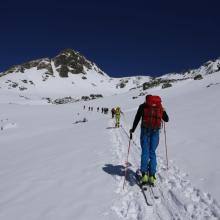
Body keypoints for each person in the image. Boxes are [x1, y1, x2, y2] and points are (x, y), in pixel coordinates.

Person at [130, 95, 169, 186]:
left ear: (146, 100)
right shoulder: (159, 107)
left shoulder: (143, 106)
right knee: (152, 152)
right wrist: (164, 111)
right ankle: (151, 175)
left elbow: (137, 118)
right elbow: (166, 119)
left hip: (145, 131)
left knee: (145, 152)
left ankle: (144, 175)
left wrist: (133, 129)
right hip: (155, 131)